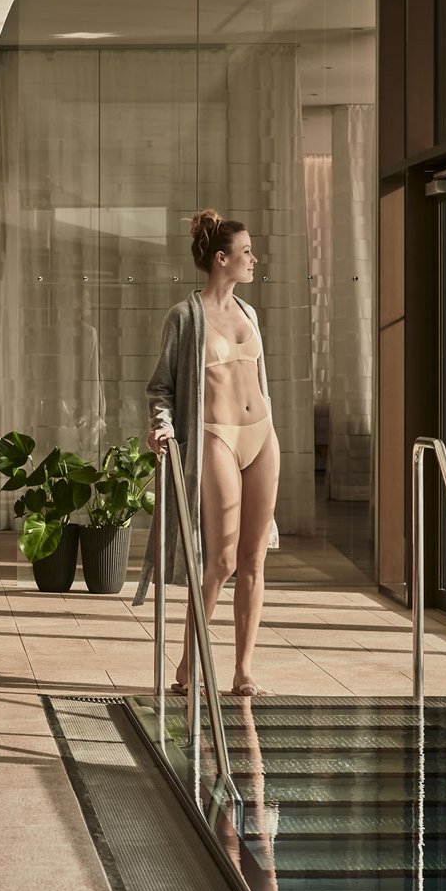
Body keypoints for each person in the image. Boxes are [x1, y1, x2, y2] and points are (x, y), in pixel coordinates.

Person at [147, 210, 280, 697]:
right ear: (222, 259)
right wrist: (160, 427)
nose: (253, 259)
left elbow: (260, 378)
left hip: (261, 435)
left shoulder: (250, 313)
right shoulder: (185, 317)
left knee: (254, 558)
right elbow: (161, 387)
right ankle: (189, 663)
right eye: (246, 252)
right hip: (215, 435)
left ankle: (244, 672)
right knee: (221, 561)